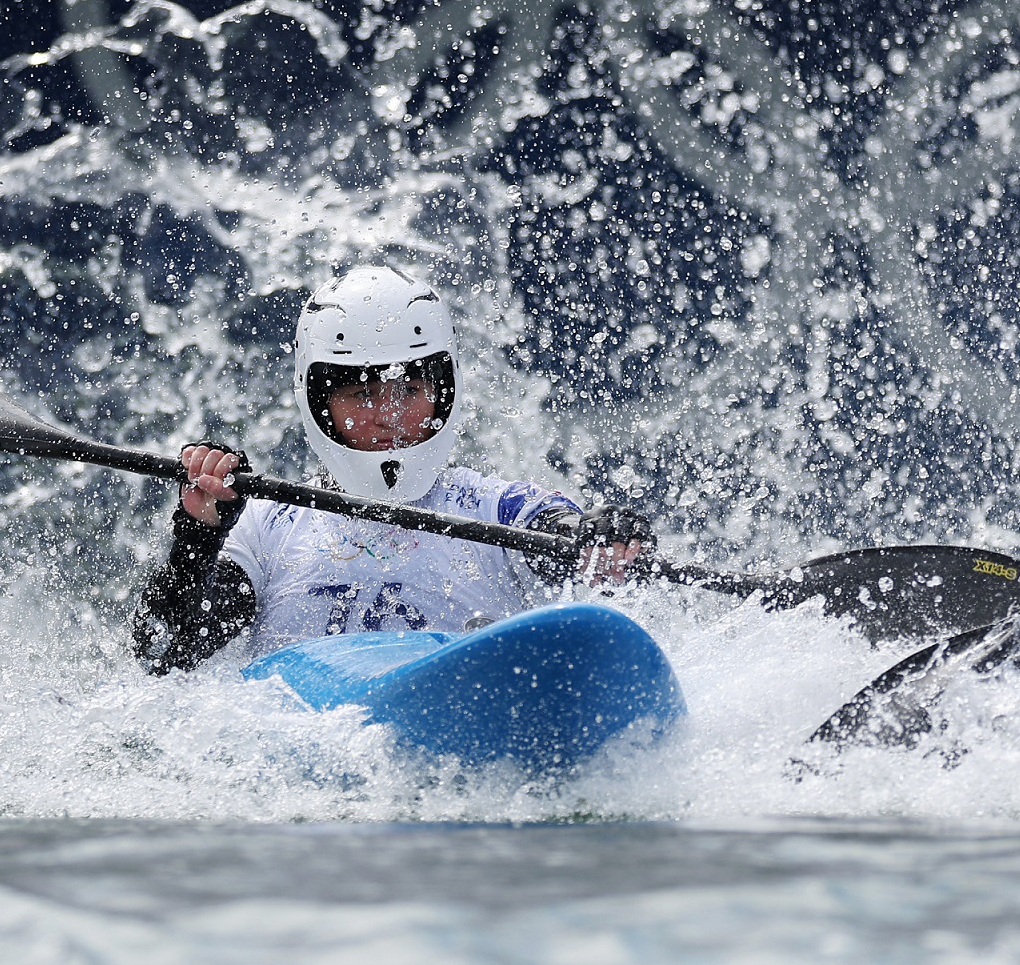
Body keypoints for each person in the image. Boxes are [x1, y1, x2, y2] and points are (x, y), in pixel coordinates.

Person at [132, 264, 649, 673]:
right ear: (317, 401)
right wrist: (197, 540)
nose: (389, 414)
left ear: (443, 389)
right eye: (361, 393)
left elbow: (564, 534)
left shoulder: (500, 508)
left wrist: (602, 538)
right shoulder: (265, 529)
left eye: (409, 389)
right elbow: (163, 653)